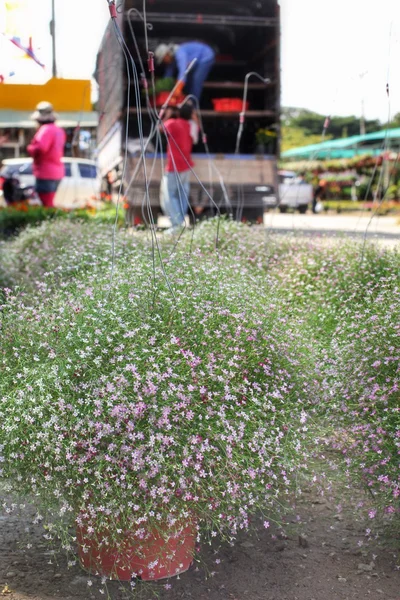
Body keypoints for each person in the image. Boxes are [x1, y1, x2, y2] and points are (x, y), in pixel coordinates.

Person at [162, 104, 199, 230]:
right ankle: (180, 221)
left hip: (174, 165)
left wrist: (167, 114)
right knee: (182, 195)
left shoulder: (173, 123)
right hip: (186, 165)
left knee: (169, 195)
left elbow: (160, 128)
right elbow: (196, 134)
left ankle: (176, 224)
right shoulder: (191, 126)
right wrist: (194, 117)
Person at [27, 101, 66, 208]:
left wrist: (30, 148)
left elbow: (41, 149)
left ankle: (51, 223)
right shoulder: (59, 130)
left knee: (47, 204)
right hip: (57, 172)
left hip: (45, 172)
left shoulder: (45, 130)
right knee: (49, 202)